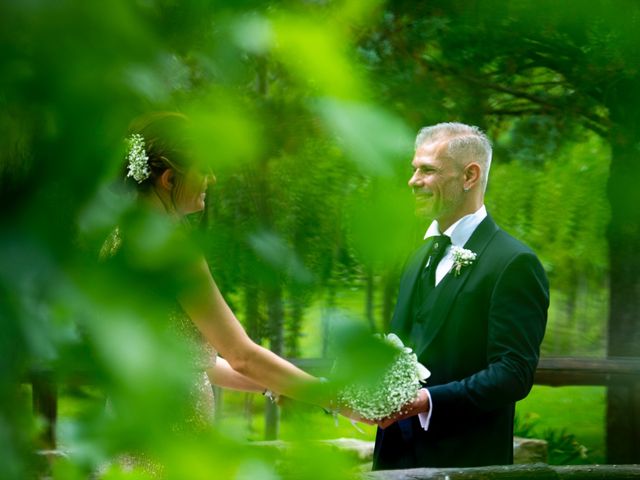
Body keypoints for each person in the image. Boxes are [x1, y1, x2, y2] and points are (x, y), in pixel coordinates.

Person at [101, 112, 338, 439]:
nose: (212, 178)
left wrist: (275, 384)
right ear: (169, 179)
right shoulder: (174, 251)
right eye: (204, 168)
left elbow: (195, 362)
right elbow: (241, 355)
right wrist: (334, 397)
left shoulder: (116, 239)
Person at [372, 122, 549, 469]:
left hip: (465, 462)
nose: (413, 180)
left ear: (469, 176)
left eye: (428, 170)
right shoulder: (418, 253)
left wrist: (427, 401)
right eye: (414, 169)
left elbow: (513, 373)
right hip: (393, 459)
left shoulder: (513, 263)